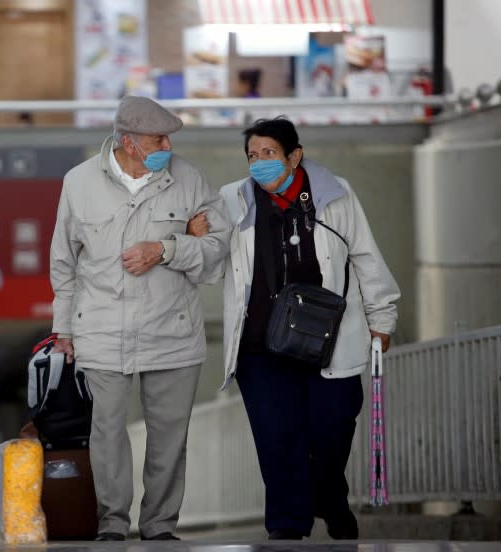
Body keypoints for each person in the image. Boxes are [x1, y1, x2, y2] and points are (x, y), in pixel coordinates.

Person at [191, 116, 400, 540]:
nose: (259, 163)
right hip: (260, 348)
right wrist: (194, 235)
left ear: (295, 155)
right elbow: (210, 269)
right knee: (277, 441)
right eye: (252, 155)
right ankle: (287, 532)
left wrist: (383, 318)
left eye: (269, 153)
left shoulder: (334, 195)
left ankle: (329, 495)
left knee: (335, 425)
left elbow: (364, 255)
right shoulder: (232, 200)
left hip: (329, 339)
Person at [49, 95, 231, 541]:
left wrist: (167, 249)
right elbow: (63, 261)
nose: (168, 145)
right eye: (158, 138)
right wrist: (63, 327)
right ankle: (112, 525)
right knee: (107, 435)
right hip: (102, 330)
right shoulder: (78, 182)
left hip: (172, 331)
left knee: (169, 438)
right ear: (128, 143)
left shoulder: (188, 180)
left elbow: (216, 252)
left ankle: (160, 527)